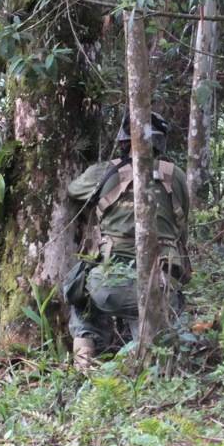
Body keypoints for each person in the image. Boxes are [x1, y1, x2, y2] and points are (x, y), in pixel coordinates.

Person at [64, 112, 191, 367]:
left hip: (109, 283)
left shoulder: (105, 171)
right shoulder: (175, 175)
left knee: (81, 296)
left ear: (123, 140)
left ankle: (83, 364)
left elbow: (73, 190)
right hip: (162, 283)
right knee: (154, 321)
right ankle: (150, 369)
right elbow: (182, 224)